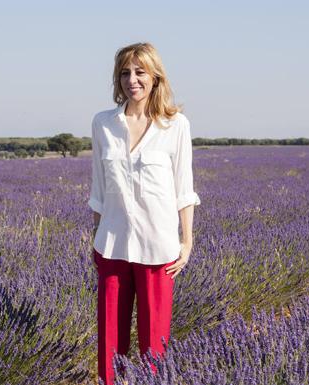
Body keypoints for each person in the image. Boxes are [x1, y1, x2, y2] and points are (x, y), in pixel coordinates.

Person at [88, 42, 201, 385]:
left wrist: (186, 242)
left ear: (155, 78)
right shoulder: (103, 124)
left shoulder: (175, 125)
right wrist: (96, 241)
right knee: (110, 344)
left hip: (158, 247)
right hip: (112, 245)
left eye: (140, 72)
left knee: (154, 342)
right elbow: (98, 190)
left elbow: (185, 189)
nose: (132, 80)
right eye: (125, 73)